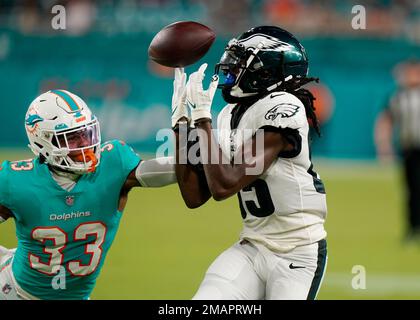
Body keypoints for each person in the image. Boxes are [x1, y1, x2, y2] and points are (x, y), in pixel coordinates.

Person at [172, 26, 328, 300]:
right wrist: (181, 126)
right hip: (252, 247)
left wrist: (202, 120)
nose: (231, 68)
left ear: (267, 72)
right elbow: (195, 195)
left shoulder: (285, 107)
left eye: (242, 62)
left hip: (297, 252)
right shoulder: (231, 114)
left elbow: (225, 185)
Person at [0, 89, 176, 300]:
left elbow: (163, 171)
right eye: (72, 138)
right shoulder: (15, 181)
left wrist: (204, 146)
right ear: (43, 142)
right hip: (16, 293)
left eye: (86, 133)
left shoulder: (113, 164)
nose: (86, 144)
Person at [375, 59, 420, 241]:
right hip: (409, 149)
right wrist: (384, 145)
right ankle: (413, 227)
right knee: (412, 189)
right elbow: (385, 121)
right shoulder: (397, 97)